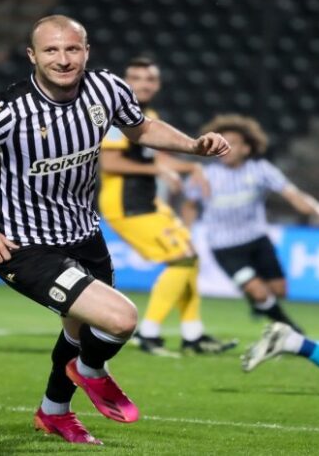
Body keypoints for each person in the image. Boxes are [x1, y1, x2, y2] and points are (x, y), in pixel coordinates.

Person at [0, 15, 230, 445]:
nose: (63, 59)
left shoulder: (107, 89)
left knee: (78, 331)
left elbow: (141, 128)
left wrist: (193, 145)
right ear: (32, 55)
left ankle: (53, 412)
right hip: (23, 246)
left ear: (86, 51)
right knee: (120, 320)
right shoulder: (4, 112)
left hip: (83, 234)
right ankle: (91, 370)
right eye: (51, 50)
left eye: (72, 49)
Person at [98, 57, 236, 356]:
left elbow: (155, 157)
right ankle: (148, 333)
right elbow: (110, 162)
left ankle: (192, 335)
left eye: (149, 79)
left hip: (147, 202)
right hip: (126, 204)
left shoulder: (146, 116)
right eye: (136, 78)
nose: (143, 84)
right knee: (182, 258)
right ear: (125, 82)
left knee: (191, 257)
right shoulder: (115, 116)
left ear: (157, 84)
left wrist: (190, 167)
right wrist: (158, 170)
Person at [182, 114, 319, 333]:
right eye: (222, 143)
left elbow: (292, 194)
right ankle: (289, 329)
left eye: (232, 143)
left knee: (279, 291)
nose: (225, 149)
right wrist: (186, 234)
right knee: (259, 292)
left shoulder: (261, 170)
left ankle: (258, 304)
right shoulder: (204, 176)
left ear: (246, 149)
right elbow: (189, 205)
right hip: (224, 246)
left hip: (257, 240)